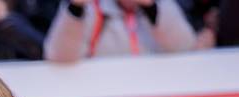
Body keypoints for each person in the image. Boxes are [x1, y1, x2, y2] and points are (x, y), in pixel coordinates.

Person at [44, 0, 196, 62]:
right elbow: (58, 56)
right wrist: (76, 8)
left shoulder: (162, 5)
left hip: (155, 95)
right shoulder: (91, 8)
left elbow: (186, 47)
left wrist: (151, 8)